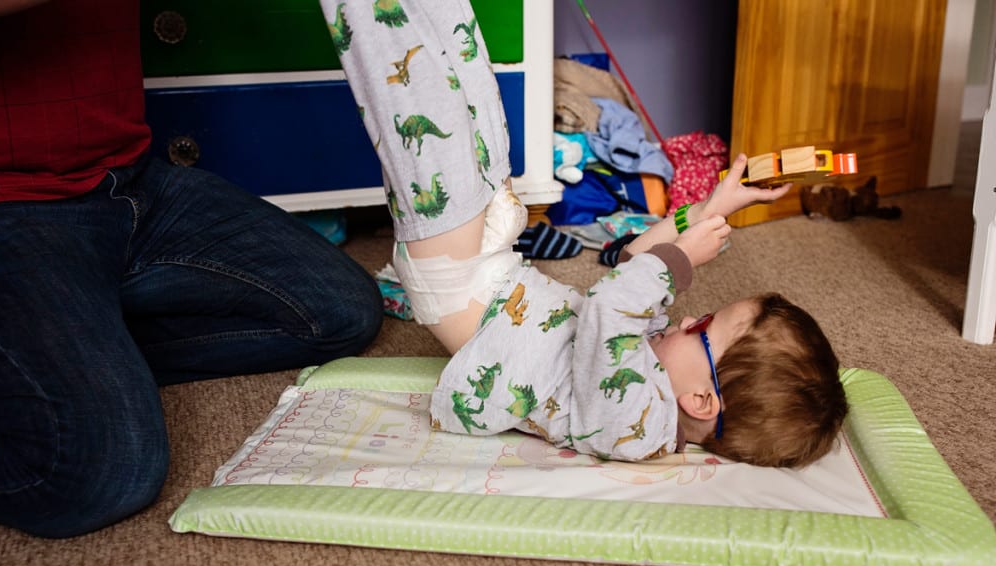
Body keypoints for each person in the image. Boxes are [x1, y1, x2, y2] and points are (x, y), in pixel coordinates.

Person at [320, 0, 848, 467]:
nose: (689, 316)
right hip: (496, 266)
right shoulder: (656, 364)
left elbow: (609, 304)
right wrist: (711, 207)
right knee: (468, 69)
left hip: (458, 285)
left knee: (417, 90)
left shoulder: (636, 426)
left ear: (701, 402)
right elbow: (633, 260)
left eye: (704, 326)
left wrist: (682, 259)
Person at [0, 0, 383, 538]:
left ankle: (63, 352)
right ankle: (48, 361)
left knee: (337, 313)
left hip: (126, 176)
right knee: (101, 473)